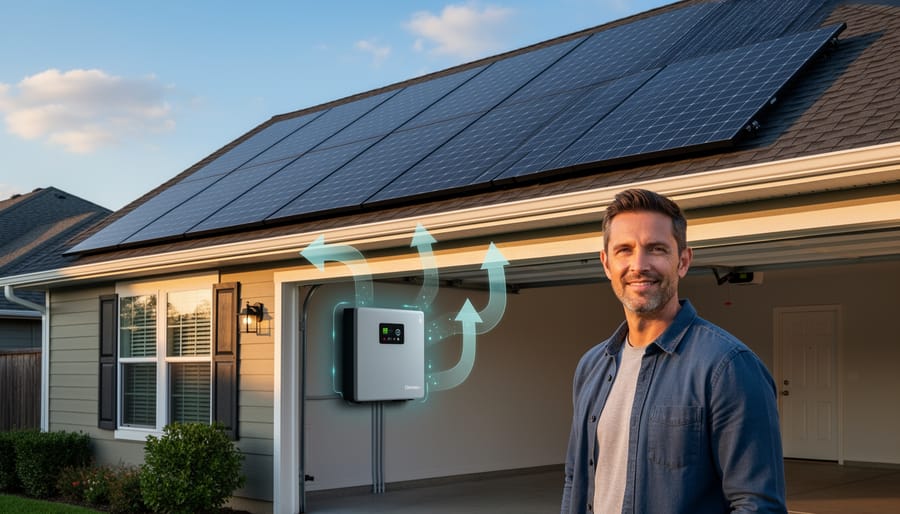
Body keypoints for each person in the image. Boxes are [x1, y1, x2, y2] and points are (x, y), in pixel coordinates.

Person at [561, 189, 787, 514]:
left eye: (656, 249)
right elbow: (575, 480)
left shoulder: (728, 368)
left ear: (682, 261)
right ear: (606, 263)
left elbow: (757, 505)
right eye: (624, 250)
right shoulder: (591, 366)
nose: (638, 265)